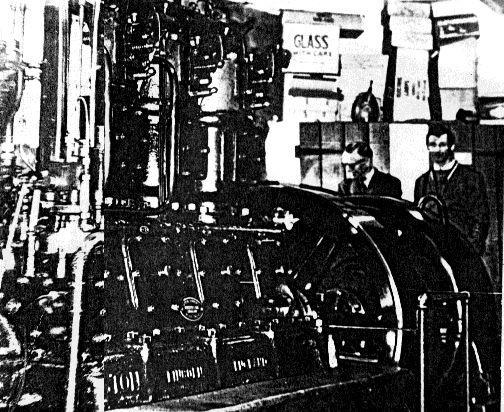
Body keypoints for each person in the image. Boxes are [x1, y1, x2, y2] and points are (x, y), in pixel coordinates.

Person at [414, 123, 489, 255]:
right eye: (433, 145)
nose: (437, 150)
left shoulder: (472, 178)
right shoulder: (422, 182)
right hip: (432, 255)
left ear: (452, 146)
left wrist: (470, 252)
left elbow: (480, 221)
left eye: (442, 145)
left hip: (462, 253)